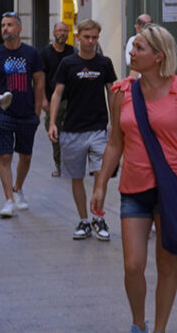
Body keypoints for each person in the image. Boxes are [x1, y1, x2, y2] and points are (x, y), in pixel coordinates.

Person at [91, 23, 177, 333]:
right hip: (134, 188)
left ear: (158, 55)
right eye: (132, 47)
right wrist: (100, 184)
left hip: (172, 189)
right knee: (132, 265)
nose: (131, 52)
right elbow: (115, 143)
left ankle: (160, 329)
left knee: (167, 265)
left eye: (139, 48)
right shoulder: (122, 91)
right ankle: (138, 323)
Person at [48, 19, 117, 241]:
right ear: (78, 37)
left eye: (94, 37)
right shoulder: (68, 64)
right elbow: (57, 93)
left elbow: (112, 93)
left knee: (101, 174)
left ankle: (98, 216)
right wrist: (52, 123)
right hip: (72, 128)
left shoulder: (104, 63)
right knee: (76, 177)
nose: (90, 41)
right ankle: (84, 220)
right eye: (86, 37)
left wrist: (115, 123)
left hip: (98, 128)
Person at [0, 12, 46, 218]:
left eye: (10, 25)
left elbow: (39, 83)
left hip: (26, 113)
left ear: (19, 29)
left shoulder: (31, 54)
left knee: (26, 156)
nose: (5, 28)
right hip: (4, 114)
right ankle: (8, 200)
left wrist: (37, 112)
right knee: (5, 156)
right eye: (3, 25)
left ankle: (17, 188)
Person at [40, 21, 74, 177]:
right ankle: (59, 164)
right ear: (53, 33)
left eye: (64, 31)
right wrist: (43, 99)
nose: (62, 33)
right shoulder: (45, 53)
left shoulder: (73, 52)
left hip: (70, 99)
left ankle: (68, 164)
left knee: (70, 133)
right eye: (59, 31)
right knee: (53, 131)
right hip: (52, 99)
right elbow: (40, 79)